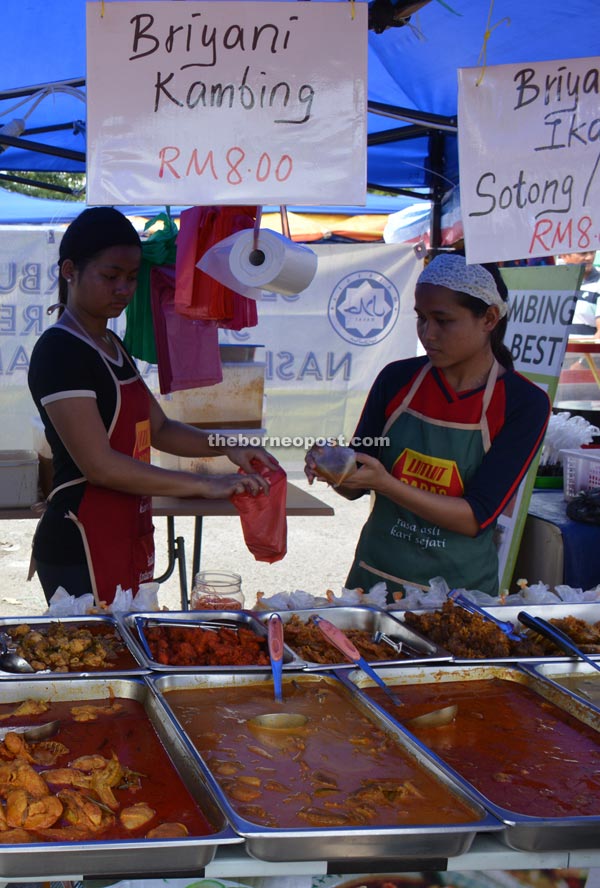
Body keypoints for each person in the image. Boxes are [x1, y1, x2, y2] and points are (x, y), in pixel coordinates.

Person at [28, 206, 278, 606]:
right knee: (96, 658)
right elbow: (100, 465)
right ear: (70, 270)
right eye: (110, 277)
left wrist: (227, 445)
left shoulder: (112, 345)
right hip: (81, 539)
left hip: (128, 527)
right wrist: (207, 485)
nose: (124, 290)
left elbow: (160, 429)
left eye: (131, 278)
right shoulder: (60, 351)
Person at [305, 252, 551, 599]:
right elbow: (357, 485)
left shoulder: (524, 404)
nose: (427, 334)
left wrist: (388, 484)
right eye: (421, 318)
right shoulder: (397, 379)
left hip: (458, 598)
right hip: (376, 583)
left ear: (490, 318)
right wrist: (335, 469)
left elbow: (474, 517)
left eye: (443, 320)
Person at [558, 250, 600, 337]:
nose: (590, 257)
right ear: (564, 255)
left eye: (592, 252)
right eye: (583, 253)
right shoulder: (553, 282)